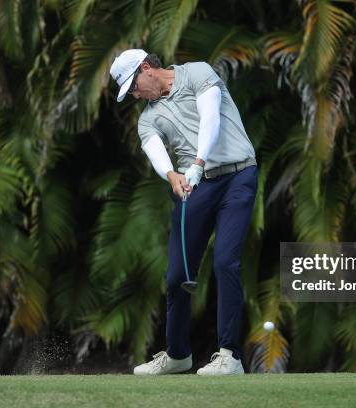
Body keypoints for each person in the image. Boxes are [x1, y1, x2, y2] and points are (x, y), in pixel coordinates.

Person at [109, 49, 257, 375]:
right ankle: (178, 356)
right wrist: (171, 175)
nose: (135, 95)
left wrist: (198, 163)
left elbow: (211, 117)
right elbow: (155, 151)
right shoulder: (148, 117)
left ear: (147, 69)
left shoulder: (197, 73)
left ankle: (229, 356)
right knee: (177, 274)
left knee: (225, 261)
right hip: (196, 186)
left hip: (238, 176)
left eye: (133, 86)